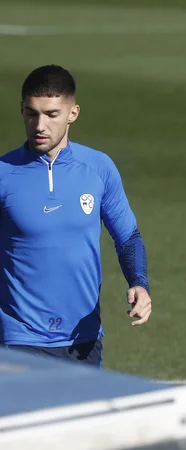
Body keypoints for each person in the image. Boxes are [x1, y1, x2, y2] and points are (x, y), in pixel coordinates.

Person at [0, 65, 152, 368]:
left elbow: (128, 237)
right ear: (22, 111)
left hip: (83, 338)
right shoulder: (4, 173)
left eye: (52, 114)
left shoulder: (99, 167)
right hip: (19, 339)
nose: (39, 125)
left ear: (73, 113)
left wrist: (139, 283)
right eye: (32, 114)